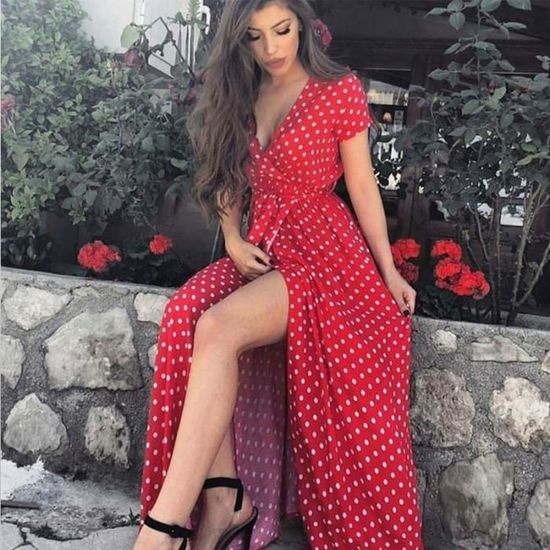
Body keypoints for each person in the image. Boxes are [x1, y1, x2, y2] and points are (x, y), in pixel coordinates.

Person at [134, 0, 424, 549]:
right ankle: (224, 501)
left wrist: (389, 271)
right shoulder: (240, 92)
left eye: (282, 30)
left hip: (323, 254)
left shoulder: (337, 89)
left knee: (218, 328)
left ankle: (161, 529)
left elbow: (362, 185)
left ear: (304, 26)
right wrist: (233, 238)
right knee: (184, 316)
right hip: (262, 249)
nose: (270, 48)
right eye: (254, 36)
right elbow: (225, 176)